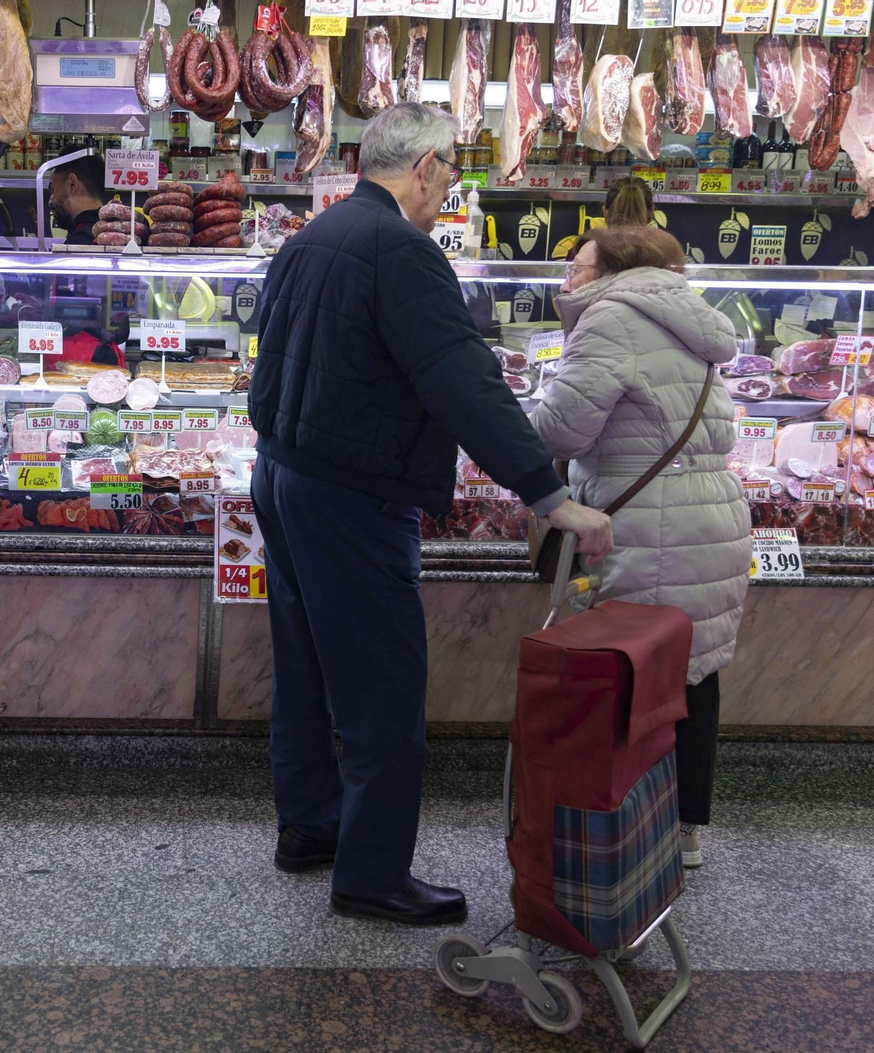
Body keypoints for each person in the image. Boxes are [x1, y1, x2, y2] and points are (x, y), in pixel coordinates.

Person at [248, 101, 613, 926]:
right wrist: (549, 496)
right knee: (383, 685)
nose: (449, 187)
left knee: (306, 665)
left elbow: (272, 350)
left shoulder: (314, 236)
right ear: (423, 169)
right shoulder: (403, 253)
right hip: (349, 490)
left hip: (282, 470)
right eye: (449, 171)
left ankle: (309, 826)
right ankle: (371, 874)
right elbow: (463, 383)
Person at [531, 225, 751, 870]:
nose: (567, 279)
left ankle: (628, 822)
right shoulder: (693, 321)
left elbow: (563, 429)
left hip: (649, 520)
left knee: (633, 671)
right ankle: (685, 828)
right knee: (693, 670)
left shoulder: (610, 321)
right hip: (710, 516)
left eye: (578, 266)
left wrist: (528, 400)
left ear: (615, 271)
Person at [48, 155, 107, 245]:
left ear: (72, 184)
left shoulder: (78, 242)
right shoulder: (118, 235)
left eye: (53, 190)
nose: (50, 202)